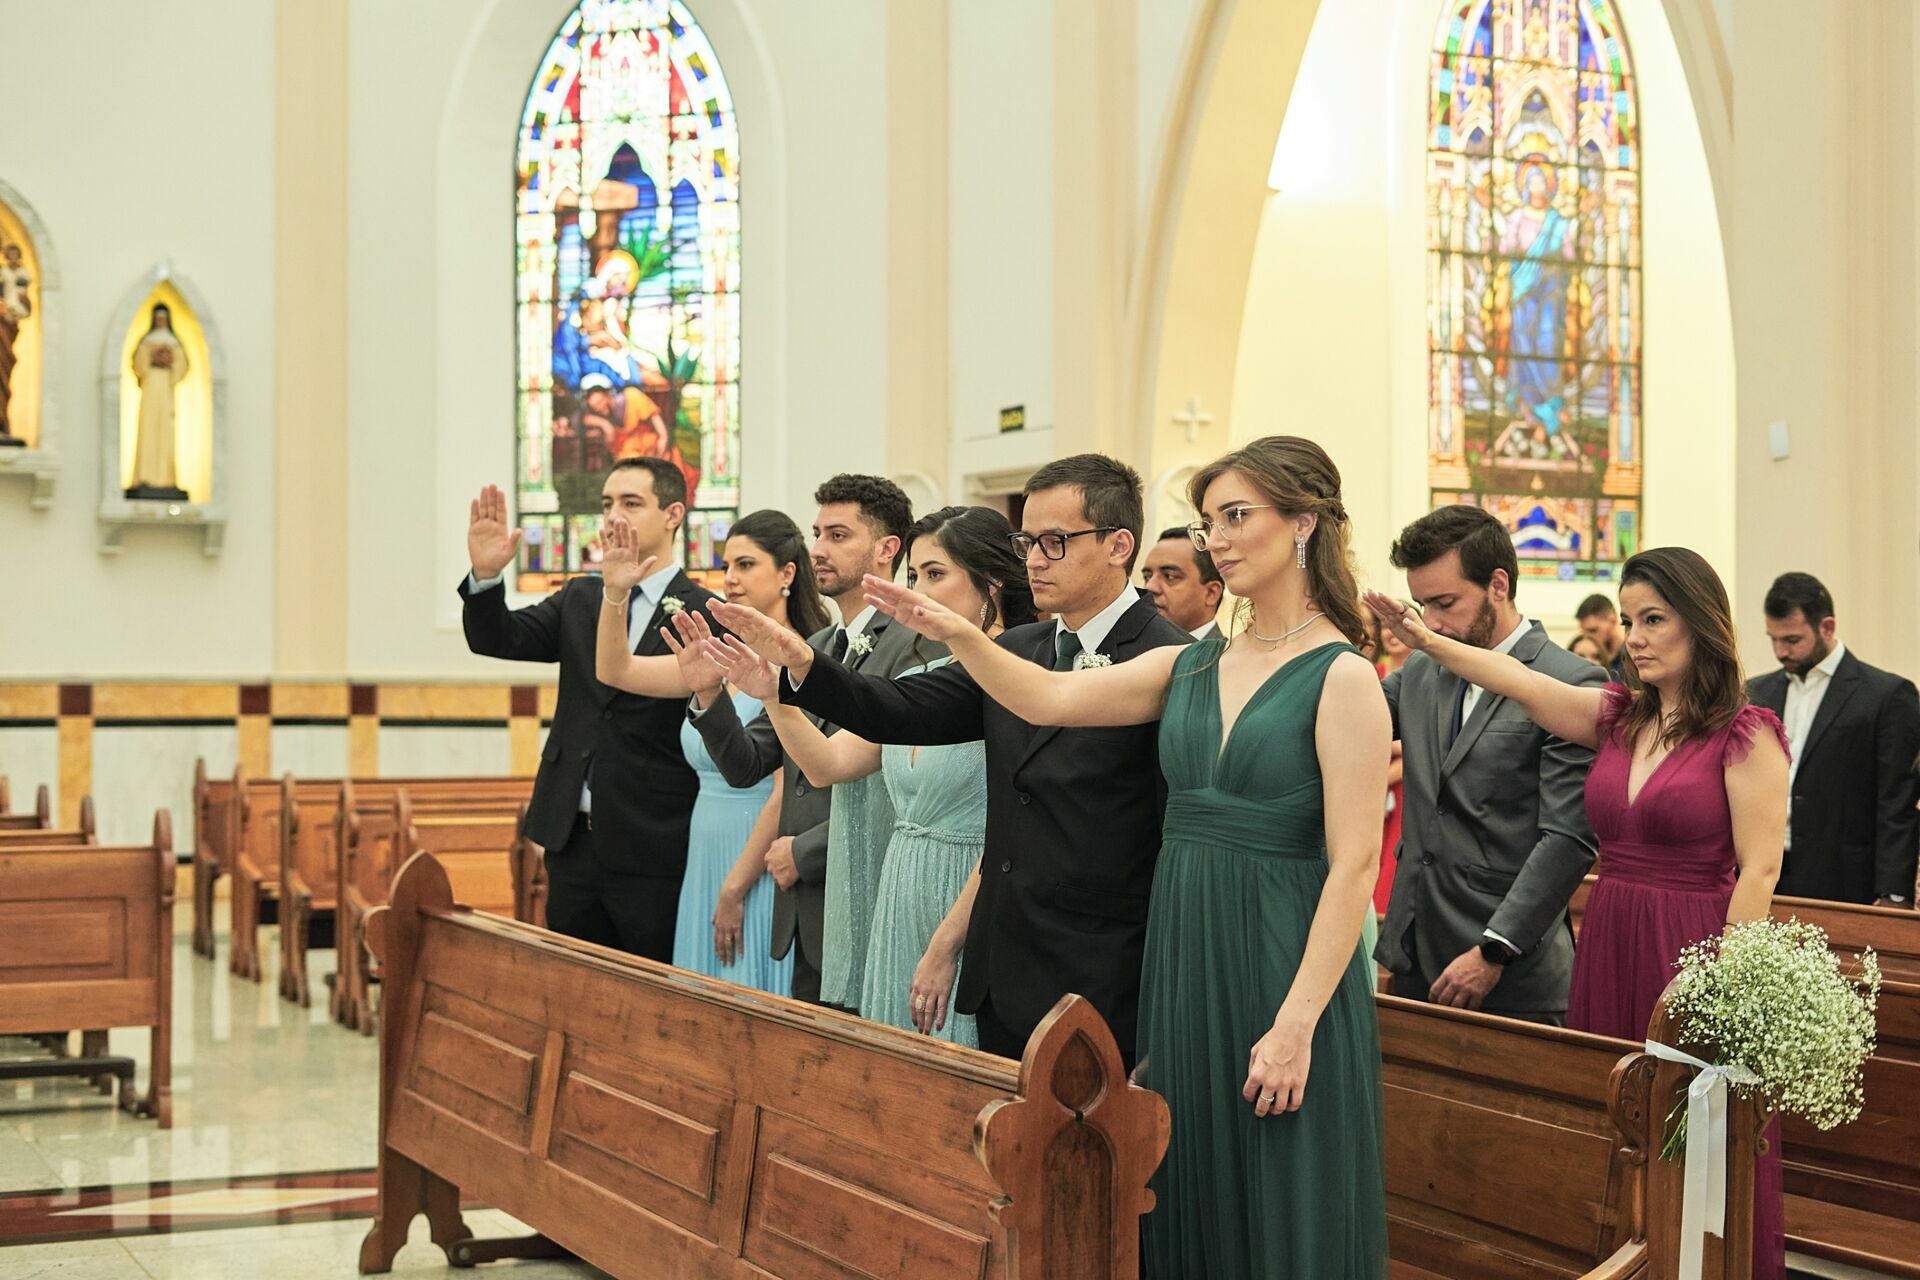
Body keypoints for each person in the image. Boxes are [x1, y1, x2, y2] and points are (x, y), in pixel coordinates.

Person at [713, 438, 1390, 1276]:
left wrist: (1295, 1026)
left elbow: (1355, 865)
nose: (1217, 537)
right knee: (1186, 1182)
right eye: (1210, 519)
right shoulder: (1195, 662)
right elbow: (1051, 695)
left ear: (1304, 524)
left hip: (1272, 950)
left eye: (1237, 517)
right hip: (1187, 949)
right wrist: (936, 637)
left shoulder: (1344, 676)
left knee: (1278, 1179)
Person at [1368, 545, 1790, 1280]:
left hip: (1692, 956)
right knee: (1619, 1138)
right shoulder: (1621, 719)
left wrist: (1718, 992)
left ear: (1701, 623)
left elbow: (1760, 869)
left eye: (1655, 619)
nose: (1637, 636)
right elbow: (1521, 681)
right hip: (1611, 941)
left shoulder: (1745, 734)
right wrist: (1426, 640)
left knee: (1692, 1145)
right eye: (1629, 620)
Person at [711, 454, 1187, 1063]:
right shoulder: (1023, 646)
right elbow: (901, 708)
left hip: (1105, 962)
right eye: (1027, 541)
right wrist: (800, 670)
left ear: (1120, 545)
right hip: (1002, 960)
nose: (1035, 559)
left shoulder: (1173, 656)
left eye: (1055, 542)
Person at [704, 506, 1036, 1043]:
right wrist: (775, 695)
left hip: (964, 902)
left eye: (935, 574)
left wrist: (945, 944)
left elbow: (1012, 831)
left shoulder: (1020, 680)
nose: (917, 592)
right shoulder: (926, 677)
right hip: (899, 890)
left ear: (991, 582)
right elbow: (827, 763)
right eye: (913, 576)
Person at [684, 475, 934, 1004]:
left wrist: (807, 849)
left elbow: (903, 782)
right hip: (802, 905)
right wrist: (709, 695)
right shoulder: (817, 644)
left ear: (888, 549)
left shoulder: (915, 649)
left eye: (838, 536)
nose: (818, 549)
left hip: (865, 892)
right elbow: (747, 764)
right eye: (817, 533)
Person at [459, 458, 719, 959]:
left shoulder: (702, 611)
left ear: (673, 515)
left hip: (654, 838)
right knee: (574, 990)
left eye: (630, 503)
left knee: (651, 991)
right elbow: (499, 638)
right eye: (606, 505)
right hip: (572, 838)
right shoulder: (582, 596)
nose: (612, 517)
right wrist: (487, 577)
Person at [1374, 505, 1604, 1024]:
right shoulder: (1422, 672)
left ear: (1498, 584)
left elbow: (1567, 839)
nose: (1430, 623)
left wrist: (1495, 949)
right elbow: (1347, 715)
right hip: (1415, 951)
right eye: (1421, 604)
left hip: (1512, 972)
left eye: (1445, 602)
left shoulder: (1573, 681)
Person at [596, 508, 831, 993]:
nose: (730, 579)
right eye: (726, 567)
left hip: (757, 857)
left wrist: (736, 885)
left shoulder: (802, 658)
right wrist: (615, 593)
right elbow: (615, 670)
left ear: (787, 573)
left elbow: (782, 789)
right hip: (704, 848)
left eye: (746, 565)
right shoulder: (716, 655)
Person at [1749, 572, 1920, 906]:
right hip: (1765, 873)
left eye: (1792, 639)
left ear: (1826, 627)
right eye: (1773, 638)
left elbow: (1895, 804)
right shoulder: (1756, 692)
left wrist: (1893, 893)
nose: (1780, 651)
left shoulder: (1886, 696)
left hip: (1843, 879)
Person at [129, 303, 189, 497]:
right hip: (151, 386)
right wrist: (152, 358)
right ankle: (144, 477)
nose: (160, 321)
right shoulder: (147, 341)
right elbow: (139, 364)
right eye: (158, 318)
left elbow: (182, 365)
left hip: (165, 388)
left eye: (163, 318)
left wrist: (170, 360)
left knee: (165, 433)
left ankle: (166, 479)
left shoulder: (173, 342)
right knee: (148, 430)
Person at [1140, 527, 1225, 640]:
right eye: (1147, 577)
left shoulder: (1227, 656)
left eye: (1170, 576)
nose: (1150, 587)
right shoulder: (1133, 652)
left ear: (1211, 593)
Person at [1577, 593, 1627, 681]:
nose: (1588, 638)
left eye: (1593, 630)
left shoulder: (1633, 656)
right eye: (1584, 632)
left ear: (1612, 621)